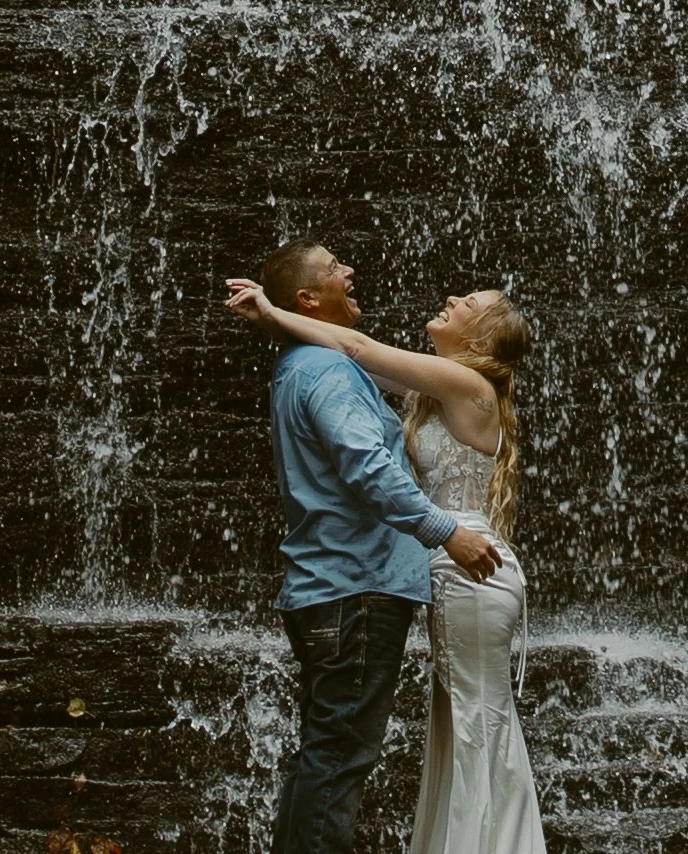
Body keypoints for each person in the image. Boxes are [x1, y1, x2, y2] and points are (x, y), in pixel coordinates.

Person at [226, 258, 547, 854]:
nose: (452, 296)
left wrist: (274, 314)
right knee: (458, 728)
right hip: (449, 563)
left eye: (468, 303)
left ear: (478, 339)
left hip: (471, 562)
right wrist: (283, 324)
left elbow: (355, 345)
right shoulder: (439, 390)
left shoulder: (469, 387)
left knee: (479, 724)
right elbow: (344, 354)